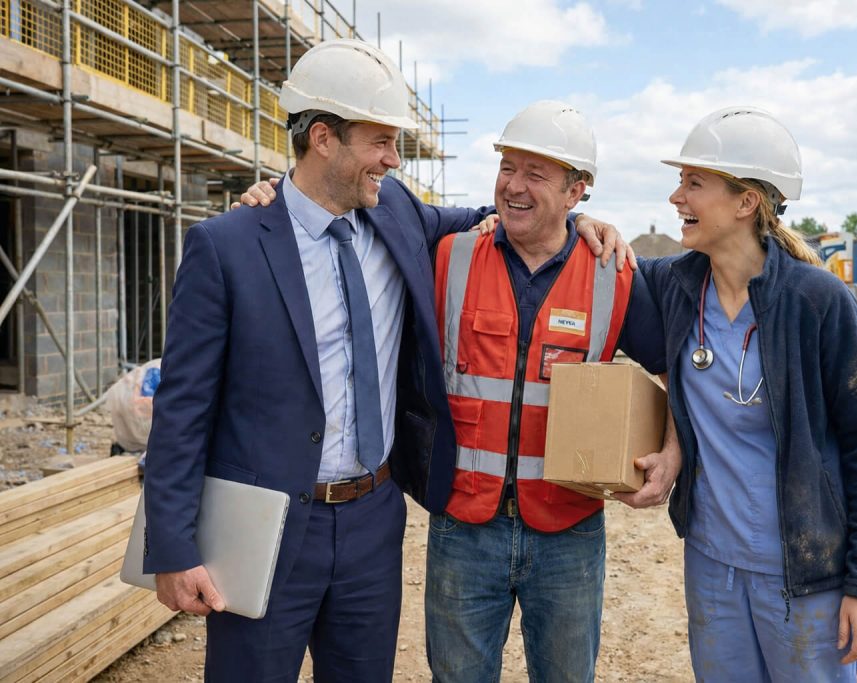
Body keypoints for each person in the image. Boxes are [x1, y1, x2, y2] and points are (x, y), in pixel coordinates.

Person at [151, 38, 628, 681]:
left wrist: (588, 225)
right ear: (323, 138)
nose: (394, 160)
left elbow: (505, 215)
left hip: (374, 519)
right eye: (381, 142)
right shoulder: (226, 246)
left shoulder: (395, 212)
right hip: (263, 527)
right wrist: (173, 549)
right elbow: (182, 408)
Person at [626, 106, 857, 681]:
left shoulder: (818, 303)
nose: (676, 197)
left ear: (746, 202)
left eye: (693, 183)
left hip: (805, 578)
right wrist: (587, 226)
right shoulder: (675, 286)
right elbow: (599, 267)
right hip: (712, 566)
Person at [427, 101, 669, 682]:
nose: (514, 185)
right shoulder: (450, 256)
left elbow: (674, 372)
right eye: (508, 167)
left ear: (577, 191)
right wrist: (275, 191)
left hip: (568, 529)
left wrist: (672, 452)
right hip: (464, 525)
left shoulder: (616, 273)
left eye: (535, 175)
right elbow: (366, 214)